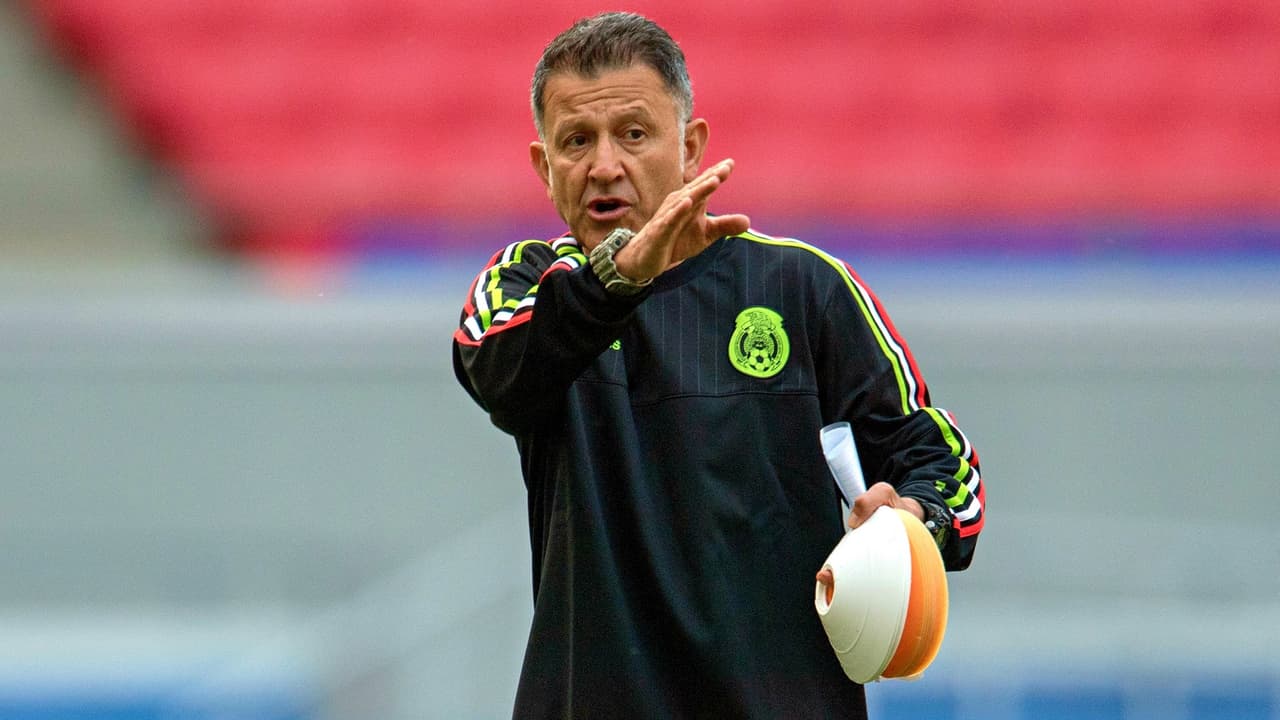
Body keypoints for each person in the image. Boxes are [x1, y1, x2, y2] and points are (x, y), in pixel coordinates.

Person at [452, 11, 985, 719]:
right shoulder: (528, 286)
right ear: (544, 168)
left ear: (690, 148)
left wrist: (911, 517)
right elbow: (500, 372)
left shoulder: (802, 289)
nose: (604, 165)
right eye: (576, 140)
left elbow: (942, 463)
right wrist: (614, 282)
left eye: (633, 134)